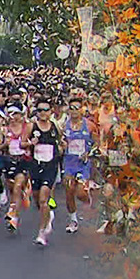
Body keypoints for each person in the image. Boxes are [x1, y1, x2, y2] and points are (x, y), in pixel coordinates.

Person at [24, 99, 63, 247]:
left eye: (46, 110)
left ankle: (42, 233)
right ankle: (48, 216)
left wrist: (61, 147)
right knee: (36, 198)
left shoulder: (55, 127)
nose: (43, 113)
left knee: (43, 199)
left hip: (50, 166)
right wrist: (30, 143)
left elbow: (61, 141)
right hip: (36, 165)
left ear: (51, 111)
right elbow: (22, 143)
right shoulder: (31, 126)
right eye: (40, 110)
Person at [61, 96, 94, 234]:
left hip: (83, 164)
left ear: (82, 109)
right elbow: (60, 143)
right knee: (69, 191)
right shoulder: (64, 126)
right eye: (72, 108)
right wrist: (62, 146)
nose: (74, 111)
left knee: (80, 193)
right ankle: (73, 220)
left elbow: (98, 143)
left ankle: (87, 197)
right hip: (69, 163)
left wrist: (89, 153)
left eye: (77, 108)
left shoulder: (89, 125)